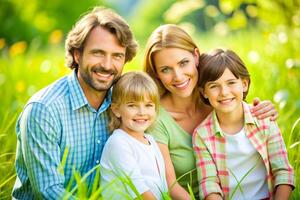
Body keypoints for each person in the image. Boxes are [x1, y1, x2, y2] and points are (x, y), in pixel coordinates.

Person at [12, 7, 138, 199]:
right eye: (98, 53)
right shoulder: (44, 109)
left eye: (117, 56)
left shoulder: (123, 104)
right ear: (77, 54)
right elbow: (49, 191)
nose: (107, 64)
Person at [143, 24, 278, 199]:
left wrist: (263, 110)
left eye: (183, 63)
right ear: (157, 74)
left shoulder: (218, 100)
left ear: (196, 56)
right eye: (165, 69)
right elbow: (171, 186)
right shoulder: (156, 119)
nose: (178, 76)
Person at [193, 48, 295, 200]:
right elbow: (209, 184)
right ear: (204, 92)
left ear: (244, 84)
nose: (224, 92)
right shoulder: (202, 135)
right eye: (214, 86)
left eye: (231, 83)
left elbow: (283, 171)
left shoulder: (264, 120)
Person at [100, 71, 168, 199]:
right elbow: (139, 191)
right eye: (132, 106)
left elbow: (161, 184)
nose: (142, 112)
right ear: (116, 110)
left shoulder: (150, 140)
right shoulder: (118, 143)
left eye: (148, 105)